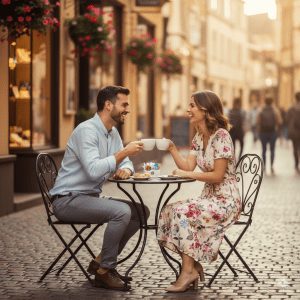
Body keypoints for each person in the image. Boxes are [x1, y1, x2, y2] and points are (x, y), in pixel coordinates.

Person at [49, 85, 149, 291]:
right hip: (67, 200)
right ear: (108, 105)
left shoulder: (112, 133)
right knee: (121, 212)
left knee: (141, 211)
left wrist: (126, 170)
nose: (127, 109)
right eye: (124, 104)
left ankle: (101, 262)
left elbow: (126, 163)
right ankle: (105, 271)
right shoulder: (86, 131)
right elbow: (94, 170)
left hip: (89, 197)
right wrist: (122, 154)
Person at [156, 90, 241, 293]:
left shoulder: (221, 136)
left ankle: (188, 271)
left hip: (226, 200)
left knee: (185, 212)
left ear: (205, 109)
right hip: (209, 198)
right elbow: (188, 166)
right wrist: (172, 149)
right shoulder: (198, 136)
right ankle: (192, 265)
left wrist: (188, 174)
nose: (188, 110)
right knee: (170, 209)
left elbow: (218, 176)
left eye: (192, 105)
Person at [257, 97, 282, 174]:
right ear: (272, 102)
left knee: (264, 150)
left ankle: (264, 166)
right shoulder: (275, 111)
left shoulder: (261, 110)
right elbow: (279, 121)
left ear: (265, 102)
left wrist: (259, 132)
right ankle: (271, 166)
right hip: (272, 132)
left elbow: (258, 122)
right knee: (272, 150)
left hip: (263, 132)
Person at [287, 92, 300, 172]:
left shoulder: (291, 109)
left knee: (295, 148)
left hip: (294, 131)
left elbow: (287, 119)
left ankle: (296, 164)